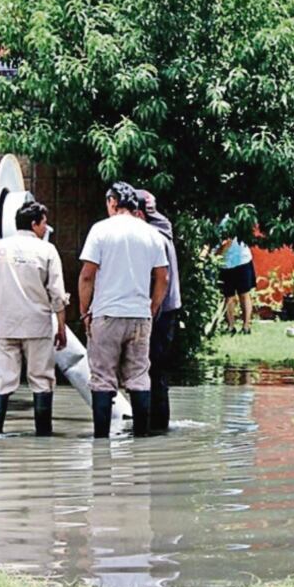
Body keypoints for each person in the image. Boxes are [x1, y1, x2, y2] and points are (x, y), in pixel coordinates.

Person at [79, 182, 169, 438]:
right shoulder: (152, 233)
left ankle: (101, 442)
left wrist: (85, 311)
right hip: (140, 316)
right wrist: (151, 308)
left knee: (102, 379)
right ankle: (140, 441)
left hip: (107, 315)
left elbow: (87, 276)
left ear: (113, 201)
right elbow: (163, 278)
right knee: (140, 377)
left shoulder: (101, 230)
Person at [0, 200, 68, 435]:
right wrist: (61, 327)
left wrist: (2, 303)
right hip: (37, 327)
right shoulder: (47, 250)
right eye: (44, 223)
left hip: (4, 327)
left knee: (2, 379)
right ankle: (43, 437)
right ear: (34, 223)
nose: (45, 228)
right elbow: (57, 295)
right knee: (41, 380)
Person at [133, 189, 181, 434]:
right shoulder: (163, 230)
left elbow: (158, 279)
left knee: (149, 369)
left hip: (158, 312)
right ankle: (158, 426)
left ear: (139, 213)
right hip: (167, 311)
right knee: (157, 372)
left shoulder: (152, 237)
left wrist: (149, 311)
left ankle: (151, 428)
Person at [218, 228, 255, 335]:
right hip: (224, 263)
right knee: (228, 295)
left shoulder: (234, 220)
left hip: (242, 259)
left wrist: (218, 252)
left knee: (244, 294)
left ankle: (246, 326)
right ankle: (230, 326)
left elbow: (228, 242)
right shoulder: (214, 219)